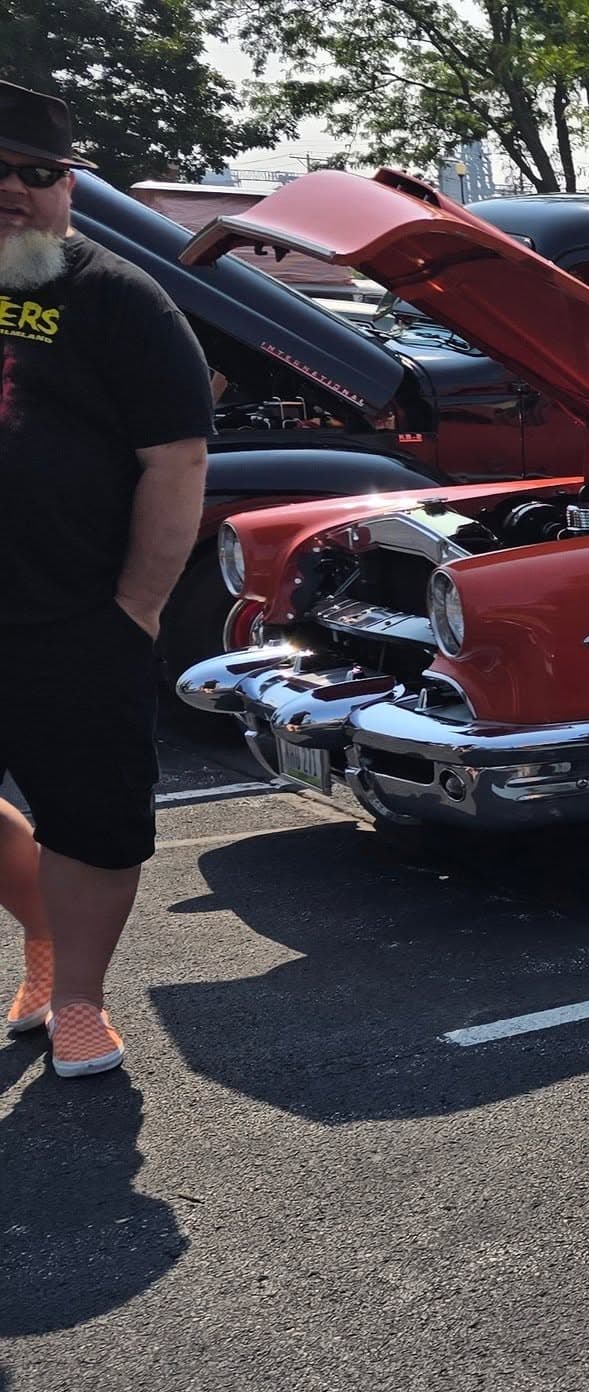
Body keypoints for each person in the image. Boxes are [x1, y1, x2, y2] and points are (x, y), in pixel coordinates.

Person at [0, 83, 214, 1077]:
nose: (13, 190)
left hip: (72, 615)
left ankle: (77, 997)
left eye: (35, 173)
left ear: (66, 185)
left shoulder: (119, 300)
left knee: (91, 815)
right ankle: (42, 937)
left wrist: (134, 608)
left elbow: (177, 464)